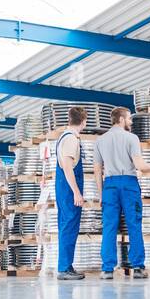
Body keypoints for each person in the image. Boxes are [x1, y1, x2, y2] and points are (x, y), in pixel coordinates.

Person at [95, 107, 150, 280]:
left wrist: (101, 193)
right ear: (121, 119)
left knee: (109, 227)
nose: (131, 122)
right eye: (129, 119)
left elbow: (97, 170)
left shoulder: (100, 140)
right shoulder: (132, 138)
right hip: (128, 184)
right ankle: (138, 267)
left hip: (109, 185)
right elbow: (139, 164)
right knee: (134, 225)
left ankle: (107, 269)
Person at [54, 106, 89, 281]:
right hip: (68, 189)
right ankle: (64, 268)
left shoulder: (63, 137)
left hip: (63, 187)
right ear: (83, 122)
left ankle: (66, 265)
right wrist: (76, 192)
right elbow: (67, 167)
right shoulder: (71, 139)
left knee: (65, 226)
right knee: (69, 227)